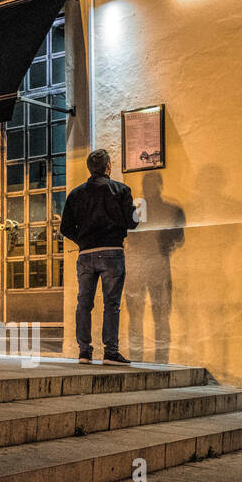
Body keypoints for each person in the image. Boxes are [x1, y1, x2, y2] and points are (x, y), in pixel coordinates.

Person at [59, 148, 140, 366]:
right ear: (108, 167)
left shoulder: (75, 194)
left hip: (86, 254)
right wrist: (136, 212)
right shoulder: (121, 190)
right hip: (112, 251)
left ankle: (84, 352)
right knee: (111, 304)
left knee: (84, 303)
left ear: (89, 168)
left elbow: (65, 227)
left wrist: (83, 240)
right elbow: (132, 222)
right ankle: (110, 353)